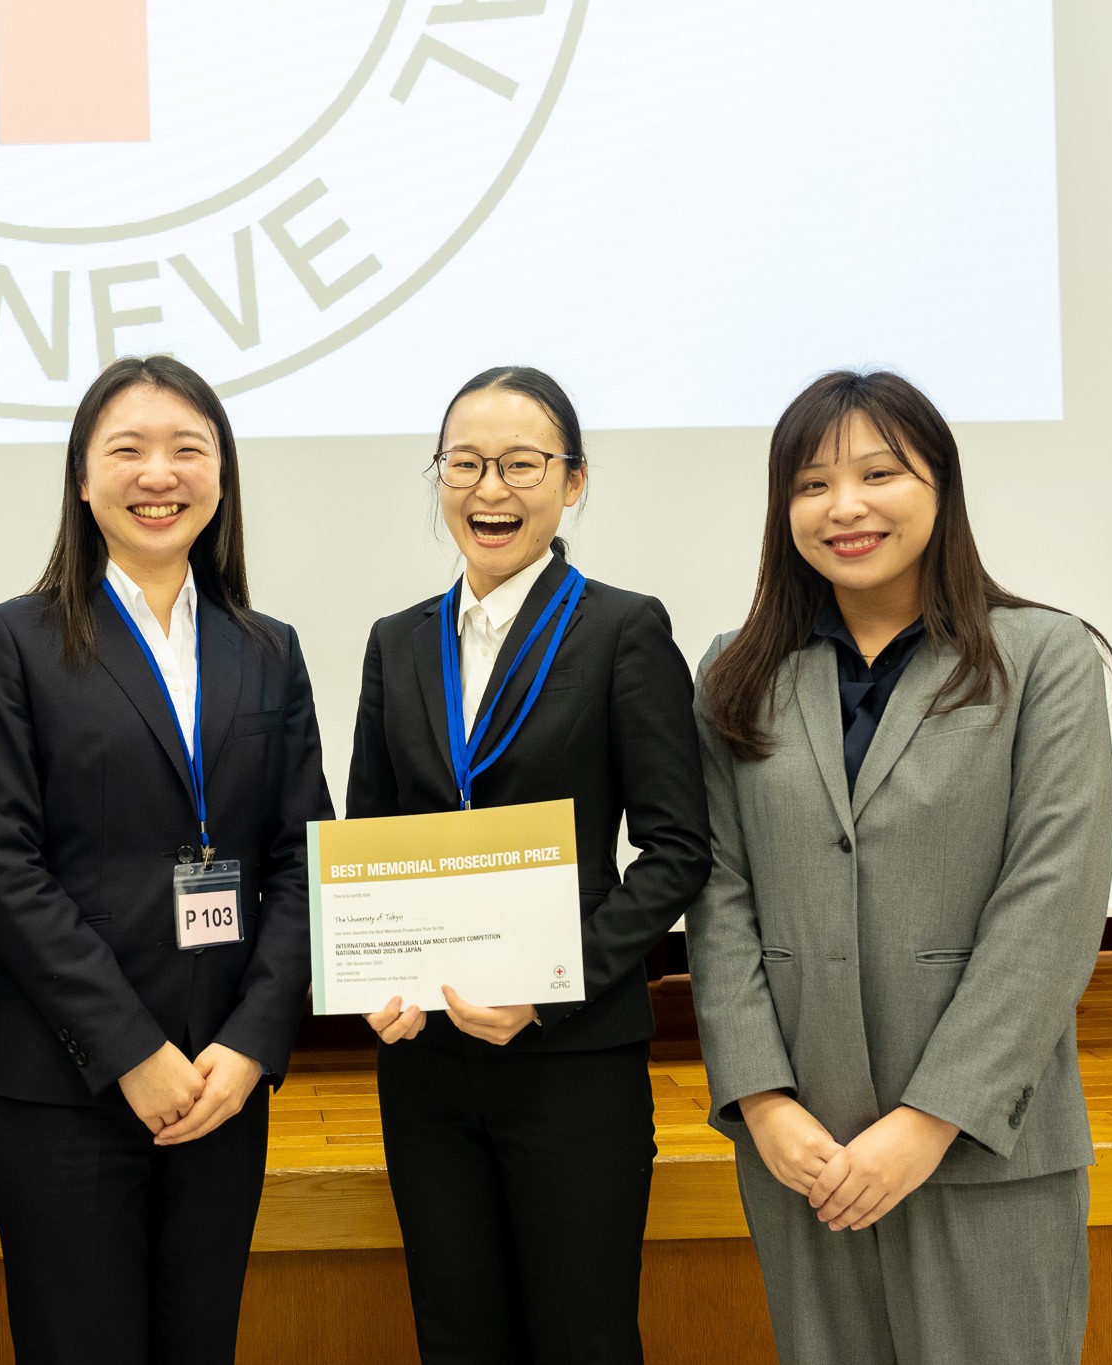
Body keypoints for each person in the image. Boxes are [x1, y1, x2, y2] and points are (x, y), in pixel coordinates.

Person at [685, 370, 1112, 1365]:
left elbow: (1049, 904)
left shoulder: (1040, 656)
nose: (843, 506)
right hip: (804, 1151)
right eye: (809, 483)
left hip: (985, 1140)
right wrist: (760, 1101)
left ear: (939, 486)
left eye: (878, 473)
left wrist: (926, 1122)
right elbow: (717, 895)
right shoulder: (732, 670)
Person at [0, 355, 331, 1365]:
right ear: (81, 479)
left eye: (186, 450)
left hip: (221, 1083)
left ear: (220, 475)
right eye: (126, 450)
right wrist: (131, 1050)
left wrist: (250, 1045)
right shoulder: (12, 643)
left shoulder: (267, 649)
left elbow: (302, 862)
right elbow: (0, 864)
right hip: (69, 1086)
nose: (157, 474)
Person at [346, 367, 713, 1364]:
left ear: (573, 482)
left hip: (568, 1058)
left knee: (580, 1334)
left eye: (519, 465)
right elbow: (370, 842)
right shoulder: (397, 644)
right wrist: (375, 975)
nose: (488, 491)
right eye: (462, 465)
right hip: (425, 1065)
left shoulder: (621, 630)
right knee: (456, 1336)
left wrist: (546, 988)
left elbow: (676, 850)